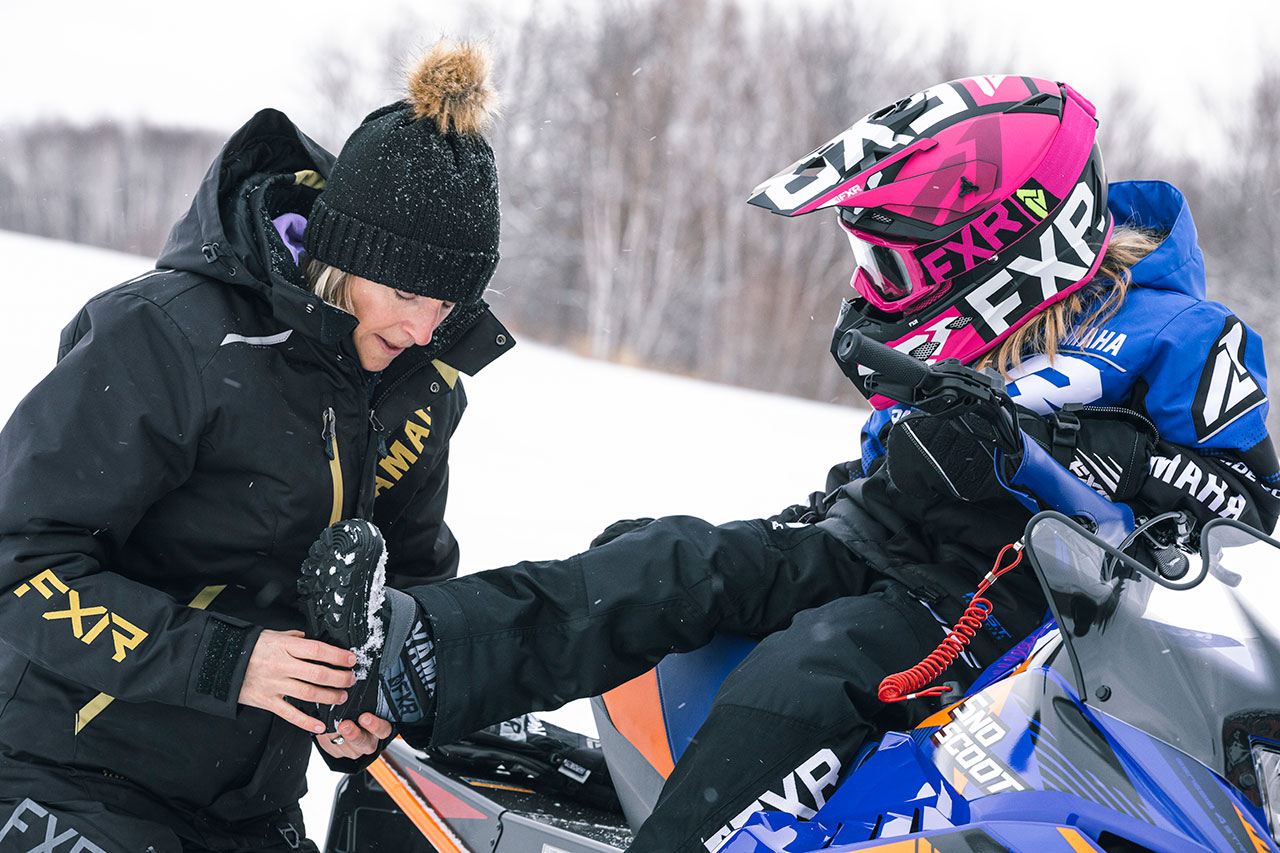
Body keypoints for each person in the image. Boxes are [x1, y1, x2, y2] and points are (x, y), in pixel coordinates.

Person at [300, 76, 1280, 852]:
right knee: (664, 560)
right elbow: (882, 476)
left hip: (1017, 601)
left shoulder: (1182, 338)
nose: (873, 289)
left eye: (894, 266)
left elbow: (1243, 521)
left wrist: (1101, 460)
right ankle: (408, 654)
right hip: (885, 537)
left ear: (1004, 248)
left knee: (806, 674)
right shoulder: (962, 343)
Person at [0, 40, 510, 853]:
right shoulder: (165, 336)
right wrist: (227, 661)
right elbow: (19, 566)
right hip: (66, 769)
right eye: (407, 291)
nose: (423, 329)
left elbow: (408, 582)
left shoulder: (424, 387)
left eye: (448, 305)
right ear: (342, 256)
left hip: (249, 807)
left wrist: (373, 703)